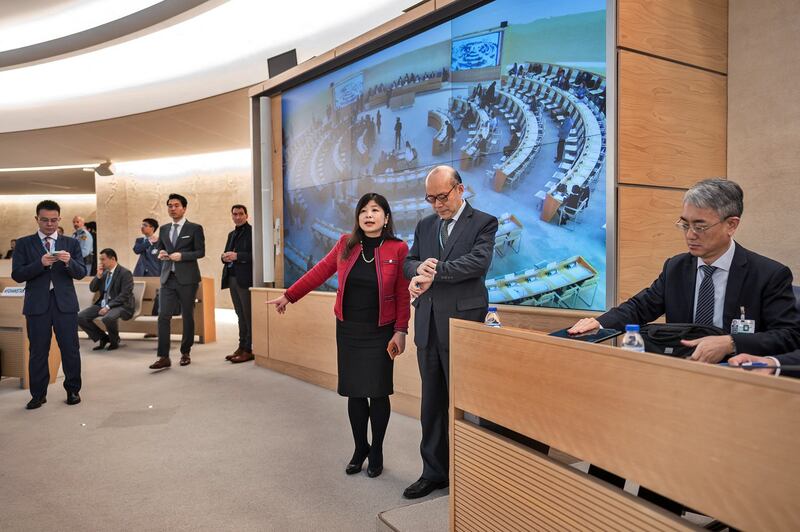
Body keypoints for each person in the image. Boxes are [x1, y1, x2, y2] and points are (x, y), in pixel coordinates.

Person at [568, 178, 800, 361]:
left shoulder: (768, 275)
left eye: (700, 226)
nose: (690, 235)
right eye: (685, 224)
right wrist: (600, 323)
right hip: (681, 367)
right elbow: (640, 307)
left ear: (731, 225)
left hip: (737, 373)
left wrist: (731, 342)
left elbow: (789, 335)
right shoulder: (676, 267)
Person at [267, 193, 410, 479]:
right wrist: (289, 295)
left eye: (375, 210)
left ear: (386, 217)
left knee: (378, 392)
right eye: (363, 210)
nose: (368, 215)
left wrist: (401, 330)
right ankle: (360, 448)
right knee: (355, 392)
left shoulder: (398, 248)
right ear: (357, 217)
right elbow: (320, 272)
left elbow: (402, 294)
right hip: (348, 329)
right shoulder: (346, 243)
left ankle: (377, 450)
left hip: (381, 331)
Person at [402, 165, 498, 499]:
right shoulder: (425, 225)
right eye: (430, 199)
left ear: (460, 189)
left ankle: (476, 474)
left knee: (469, 404)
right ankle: (434, 472)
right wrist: (418, 268)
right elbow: (410, 262)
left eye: (442, 197)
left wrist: (436, 271)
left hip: (463, 325)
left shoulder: (483, 222)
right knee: (431, 404)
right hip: (428, 324)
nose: (437, 205)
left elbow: (478, 263)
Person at [11, 199, 86, 409]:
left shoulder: (71, 243)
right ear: (37, 219)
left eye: (54, 220)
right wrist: (40, 263)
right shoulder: (24, 243)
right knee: (38, 351)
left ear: (59, 219)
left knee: (70, 349)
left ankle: (73, 390)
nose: (50, 224)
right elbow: (17, 275)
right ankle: (38, 394)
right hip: (37, 305)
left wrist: (69, 262)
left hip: (65, 305)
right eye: (45, 220)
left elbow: (81, 273)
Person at [149, 193, 206, 369]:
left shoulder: (194, 228)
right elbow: (160, 248)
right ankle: (163, 356)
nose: (172, 209)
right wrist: (160, 253)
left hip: (188, 279)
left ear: (184, 208)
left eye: (176, 205)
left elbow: (200, 252)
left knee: (187, 315)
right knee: (163, 316)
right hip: (168, 278)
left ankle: (185, 352)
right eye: (170, 206)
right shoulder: (164, 229)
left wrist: (182, 256)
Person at [77, 248, 134, 351]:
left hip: (121, 305)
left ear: (113, 259)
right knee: (80, 317)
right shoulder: (104, 273)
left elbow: (125, 295)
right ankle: (103, 338)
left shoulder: (125, 273)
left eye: (103, 259)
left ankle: (114, 341)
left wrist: (108, 307)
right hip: (103, 303)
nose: (101, 262)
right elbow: (92, 288)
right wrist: (98, 276)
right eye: (100, 259)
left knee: (108, 318)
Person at [222, 205, 254, 363]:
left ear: (246, 215)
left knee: (248, 315)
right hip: (232, 278)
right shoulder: (231, 234)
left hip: (245, 279)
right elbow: (227, 253)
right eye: (235, 214)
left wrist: (237, 256)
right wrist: (224, 257)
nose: (238, 217)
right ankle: (241, 346)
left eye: (241, 214)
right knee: (239, 314)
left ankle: (249, 349)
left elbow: (255, 255)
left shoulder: (252, 232)